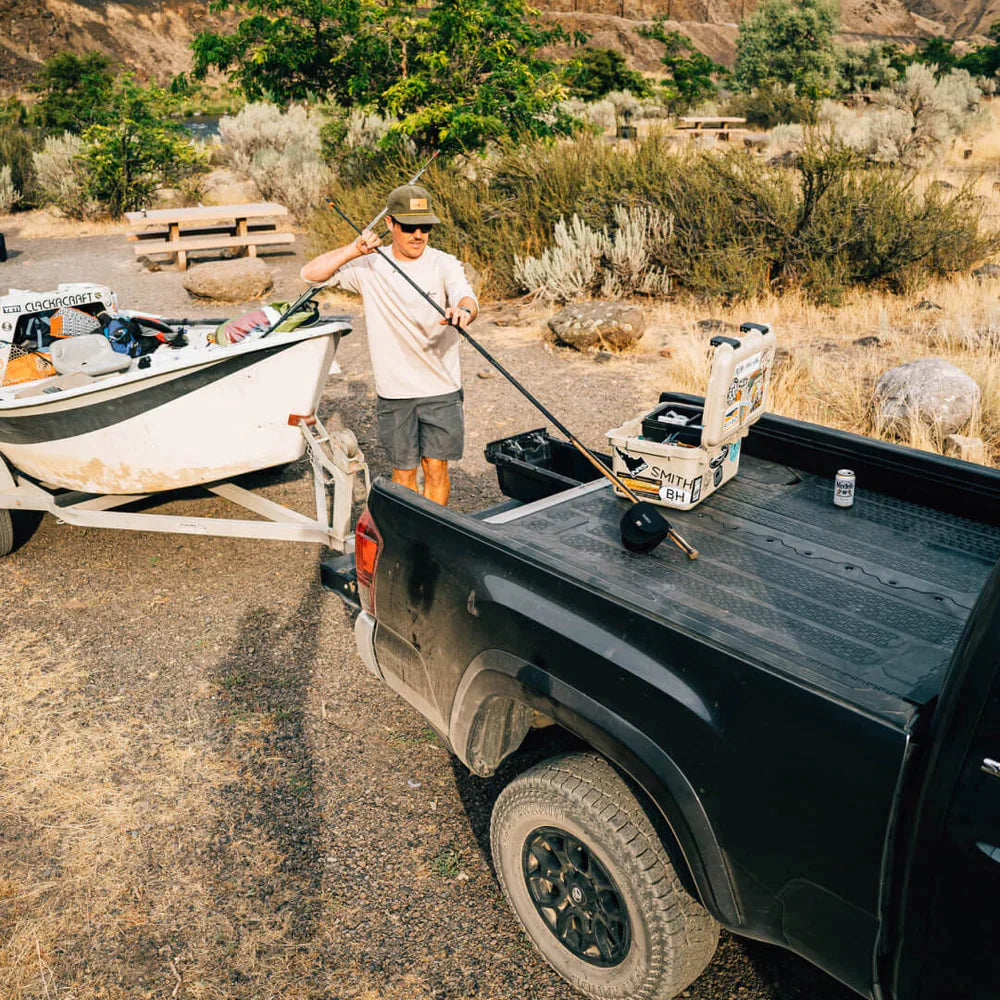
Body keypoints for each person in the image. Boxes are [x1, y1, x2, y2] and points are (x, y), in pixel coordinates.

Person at [301, 184, 478, 506]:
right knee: (403, 474)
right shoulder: (369, 265)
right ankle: (408, 538)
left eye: (426, 227)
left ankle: (432, 537)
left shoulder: (443, 263)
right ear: (390, 224)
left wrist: (463, 311)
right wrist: (354, 250)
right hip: (395, 392)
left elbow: (466, 296)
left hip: (441, 386)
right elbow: (311, 274)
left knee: (436, 469)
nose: (418, 235)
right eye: (409, 227)